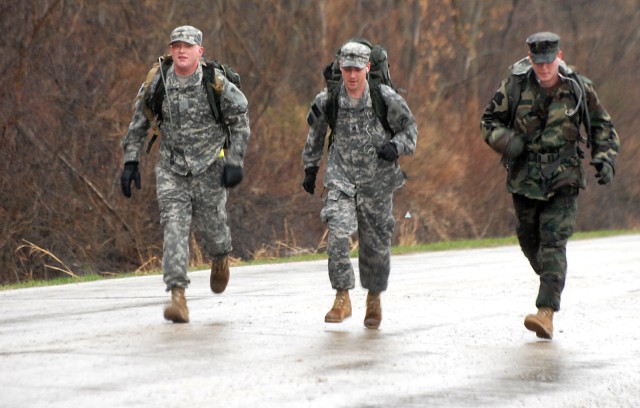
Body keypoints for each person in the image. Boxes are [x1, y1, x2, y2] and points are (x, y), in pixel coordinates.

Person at [480, 32, 620, 339]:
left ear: (559, 56)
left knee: (553, 241)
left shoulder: (578, 88)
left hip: (563, 176)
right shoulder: (515, 85)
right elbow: (489, 121)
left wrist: (605, 158)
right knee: (530, 241)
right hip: (524, 177)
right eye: (538, 63)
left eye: (549, 62)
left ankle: (545, 312)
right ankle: (552, 278)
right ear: (530, 60)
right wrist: (507, 142)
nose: (544, 69)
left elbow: (601, 125)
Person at [120, 25, 250, 323]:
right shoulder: (159, 82)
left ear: (199, 52)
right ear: (170, 49)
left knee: (213, 232)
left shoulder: (214, 82)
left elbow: (240, 120)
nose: (181, 50)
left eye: (188, 46)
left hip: (209, 168)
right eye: (176, 45)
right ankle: (177, 296)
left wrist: (235, 160)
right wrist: (131, 161)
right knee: (174, 227)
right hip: (172, 169)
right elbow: (139, 121)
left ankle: (220, 259)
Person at [301, 41, 417, 329]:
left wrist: (395, 146)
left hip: (377, 181)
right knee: (338, 236)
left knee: (375, 246)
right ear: (340, 68)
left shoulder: (384, 97)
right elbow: (315, 135)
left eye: (357, 69)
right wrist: (311, 168)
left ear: (367, 68)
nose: (352, 76)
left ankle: (374, 298)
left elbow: (410, 130)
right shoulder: (327, 99)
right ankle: (342, 296)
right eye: (347, 69)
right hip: (340, 179)